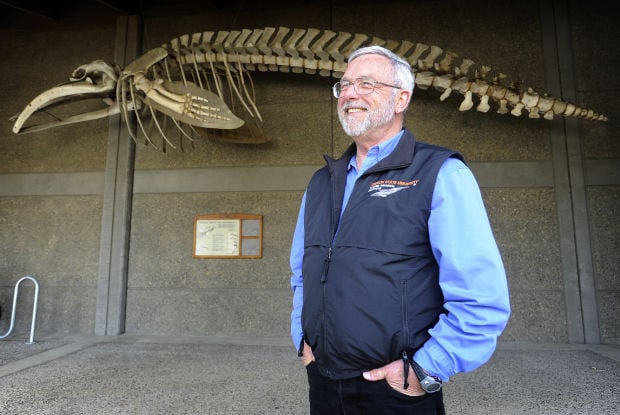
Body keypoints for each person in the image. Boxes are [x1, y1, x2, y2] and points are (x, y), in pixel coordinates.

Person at [289, 45, 510, 414]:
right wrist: (303, 339)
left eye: (367, 83)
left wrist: (426, 368)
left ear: (401, 98)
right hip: (324, 380)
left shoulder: (441, 172)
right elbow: (302, 272)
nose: (350, 93)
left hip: (397, 388)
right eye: (343, 85)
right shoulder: (320, 183)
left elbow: (480, 295)